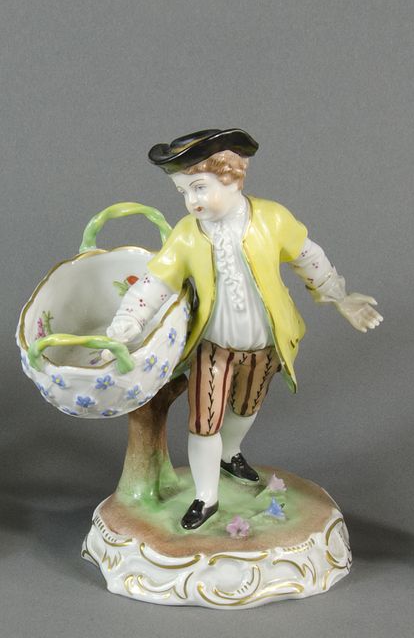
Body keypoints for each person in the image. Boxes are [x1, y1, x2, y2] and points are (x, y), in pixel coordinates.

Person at [106, 128, 381, 530]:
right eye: (183, 192)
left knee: (246, 408)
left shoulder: (272, 218)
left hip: (264, 345)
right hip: (213, 345)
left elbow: (308, 256)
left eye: (199, 187)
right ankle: (206, 496)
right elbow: (156, 281)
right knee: (204, 421)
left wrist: (340, 297)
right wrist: (128, 320)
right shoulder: (187, 234)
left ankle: (229, 452)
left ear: (232, 177)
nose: (192, 201)